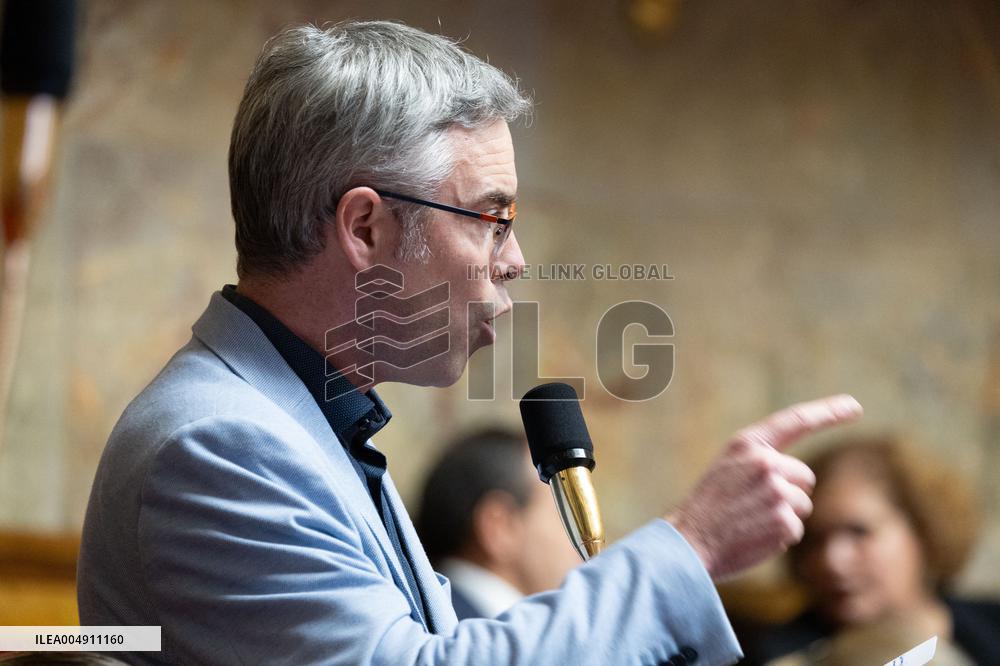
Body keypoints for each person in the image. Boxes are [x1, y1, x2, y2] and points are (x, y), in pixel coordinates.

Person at [76, 20, 863, 665]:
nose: (514, 259)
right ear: (365, 227)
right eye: (492, 217)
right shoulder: (222, 442)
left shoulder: (300, 416)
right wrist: (690, 545)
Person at [739, 437, 1000, 665]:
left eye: (859, 531)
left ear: (923, 530)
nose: (831, 561)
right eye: (814, 540)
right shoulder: (781, 655)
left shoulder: (991, 623)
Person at [414, 427, 579, 619]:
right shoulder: (466, 637)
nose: (578, 538)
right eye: (564, 515)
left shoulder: (420, 617)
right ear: (500, 527)